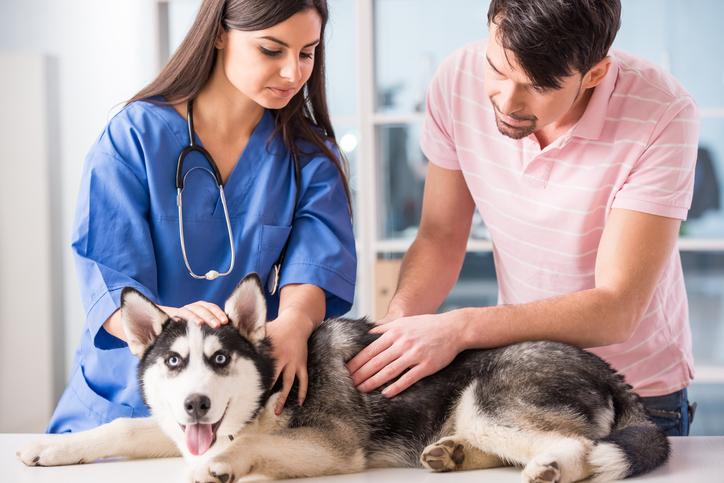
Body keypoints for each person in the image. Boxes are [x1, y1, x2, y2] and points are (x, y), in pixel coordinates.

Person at [348, 0, 698, 437]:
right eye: (497, 69)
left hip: (635, 394)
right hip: (523, 377)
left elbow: (616, 308)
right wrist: (397, 332)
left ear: (595, 74)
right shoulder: (456, 80)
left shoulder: (662, 112)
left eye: (536, 86)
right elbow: (441, 234)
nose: (507, 101)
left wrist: (459, 328)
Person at [49, 0, 356, 433]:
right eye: (271, 50)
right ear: (219, 34)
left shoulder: (308, 155)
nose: (293, 73)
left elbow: (315, 266)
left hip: (232, 406)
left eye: (307, 53)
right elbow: (107, 273)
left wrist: (292, 324)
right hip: (125, 401)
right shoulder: (136, 137)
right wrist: (164, 326)